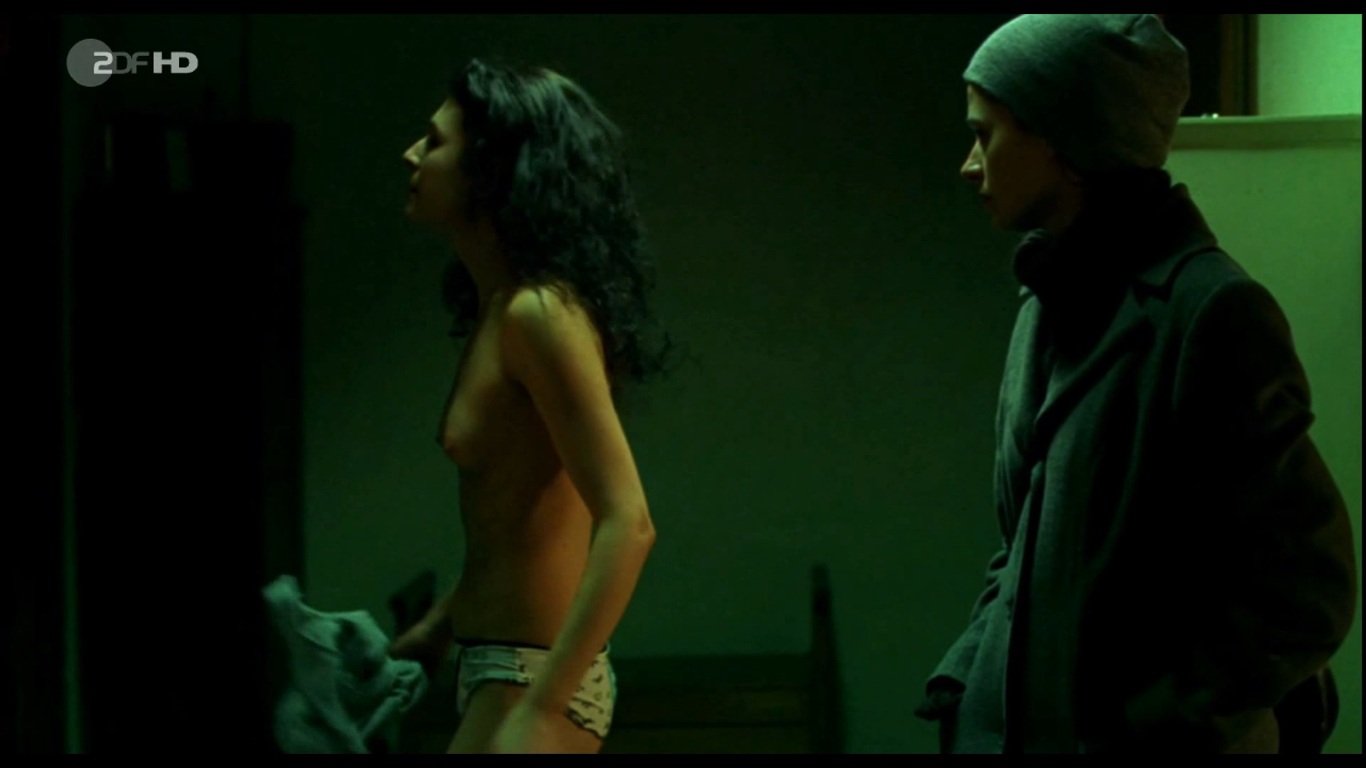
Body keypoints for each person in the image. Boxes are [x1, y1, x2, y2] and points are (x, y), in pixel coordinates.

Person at [913, 14, 1357, 753]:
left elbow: (1307, 589)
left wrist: (1164, 726)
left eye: (985, 134)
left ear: (1065, 144)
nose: (969, 165)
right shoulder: (1046, 304)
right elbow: (1026, 545)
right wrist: (966, 681)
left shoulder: (1208, 313)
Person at [388, 58, 670, 753]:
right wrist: (437, 628)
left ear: (491, 168)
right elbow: (514, 523)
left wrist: (543, 708)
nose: (412, 154)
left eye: (435, 141)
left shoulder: (539, 315)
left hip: (535, 678)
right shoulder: (500, 310)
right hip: (499, 670)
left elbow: (629, 521)